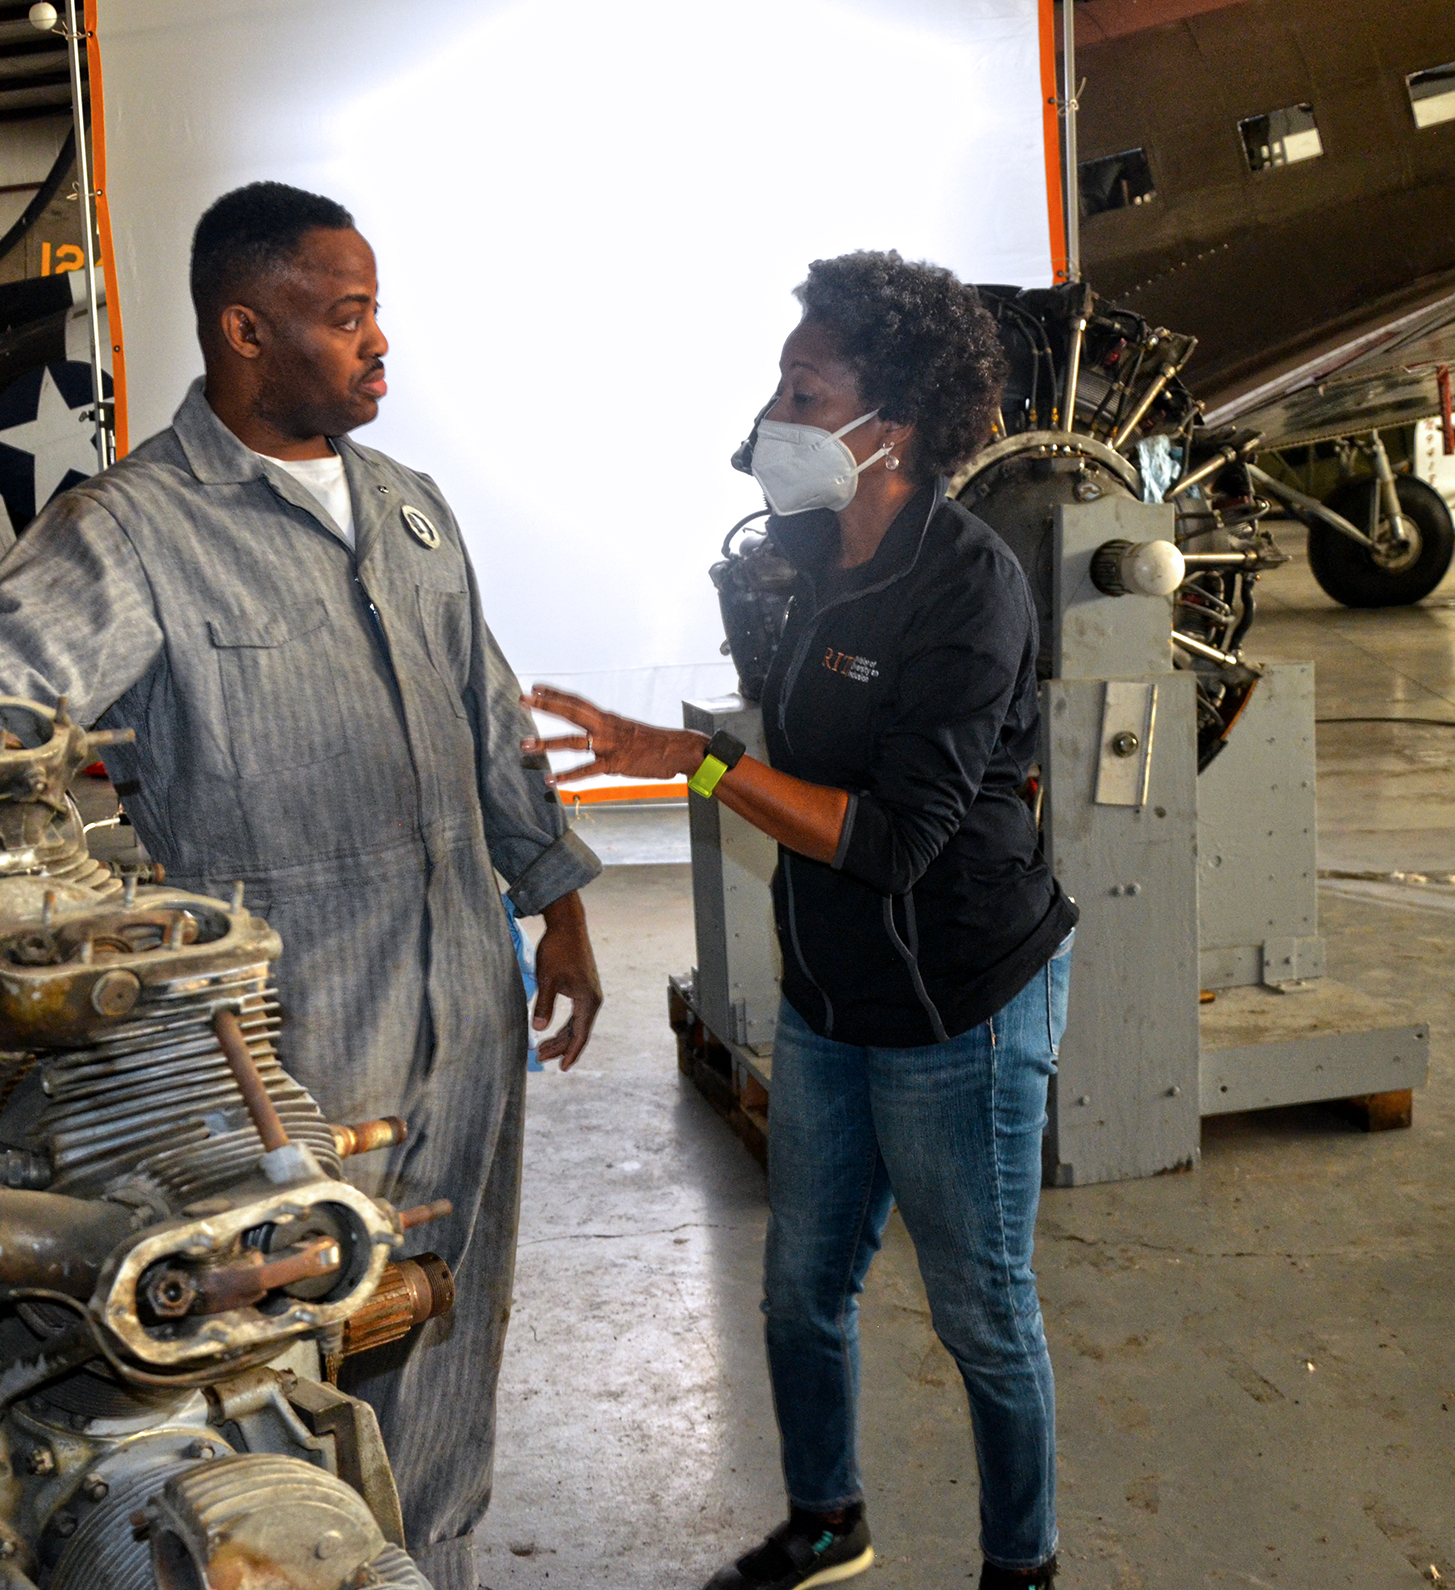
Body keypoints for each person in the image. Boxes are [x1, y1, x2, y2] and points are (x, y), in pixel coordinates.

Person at [0, 181, 604, 1590]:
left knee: (452, 1326)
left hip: (467, 1001)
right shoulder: (137, 530)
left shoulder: (411, 512)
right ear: (244, 329)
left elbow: (494, 728)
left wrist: (563, 905)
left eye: (376, 311)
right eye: (345, 316)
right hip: (286, 1045)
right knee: (292, 1356)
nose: (378, 342)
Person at [522, 252, 1074, 1590]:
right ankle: (829, 1518)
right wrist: (697, 738)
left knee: (983, 1317)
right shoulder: (812, 555)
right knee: (798, 1293)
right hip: (832, 998)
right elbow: (807, 748)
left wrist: (691, 758)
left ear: (890, 424)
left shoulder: (972, 585)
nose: (775, 408)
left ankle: (1024, 1565)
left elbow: (892, 840)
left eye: (803, 386)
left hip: (960, 1006)